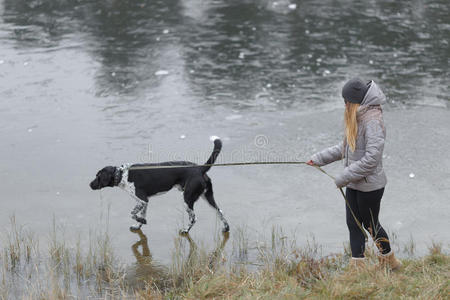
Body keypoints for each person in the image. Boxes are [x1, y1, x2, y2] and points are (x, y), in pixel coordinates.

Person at [307, 78, 401, 271]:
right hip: (354, 183)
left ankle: (390, 261)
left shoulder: (373, 121)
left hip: (370, 186)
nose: (345, 105)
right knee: (353, 224)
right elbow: (345, 148)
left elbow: (371, 159)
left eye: (346, 101)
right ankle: (358, 268)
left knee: (371, 225)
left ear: (356, 101)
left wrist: (343, 177)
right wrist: (318, 159)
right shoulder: (358, 117)